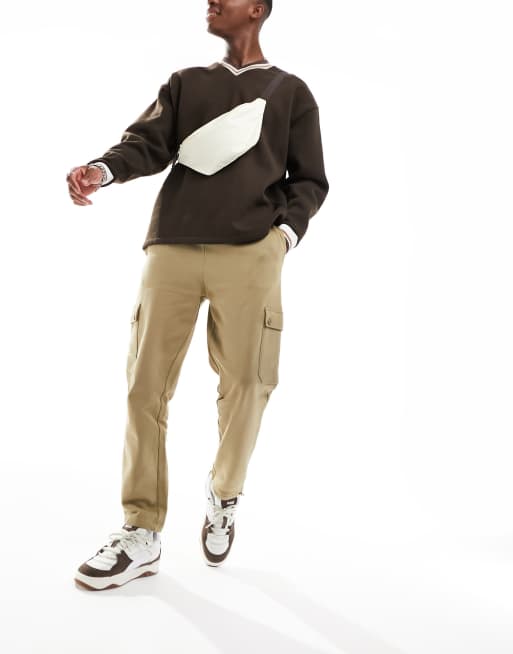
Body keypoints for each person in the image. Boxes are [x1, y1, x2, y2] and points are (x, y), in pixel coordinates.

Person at [70, 0, 329, 591]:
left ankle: (224, 493)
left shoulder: (292, 92)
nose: (211, 2)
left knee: (249, 383)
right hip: (173, 245)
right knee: (145, 385)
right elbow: (146, 143)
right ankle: (141, 531)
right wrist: (103, 170)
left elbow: (310, 179)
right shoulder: (186, 82)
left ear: (257, 10)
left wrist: (282, 238)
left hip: (252, 254)